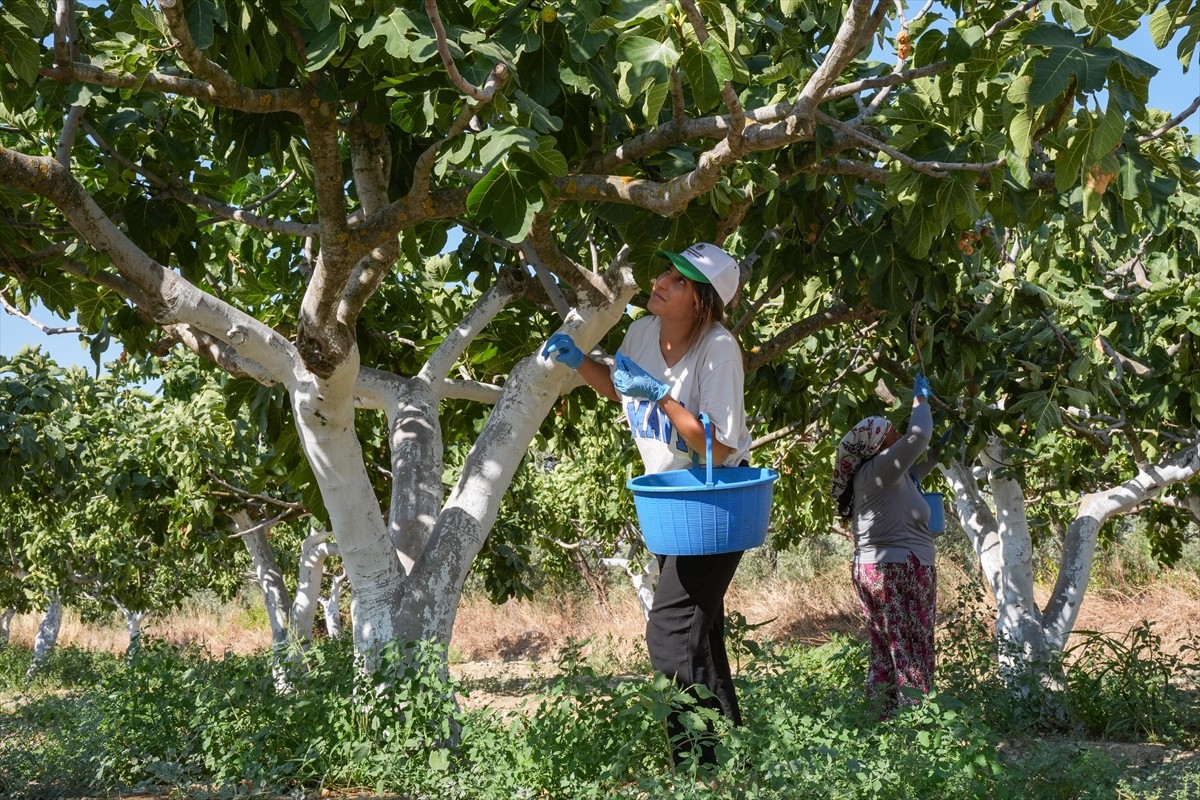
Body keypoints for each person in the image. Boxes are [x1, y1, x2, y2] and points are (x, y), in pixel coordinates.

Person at [542, 242, 753, 768]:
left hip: (713, 502)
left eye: (679, 281)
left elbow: (718, 448)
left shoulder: (719, 347)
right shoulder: (640, 332)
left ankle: (695, 765)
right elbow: (623, 391)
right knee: (698, 637)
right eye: (666, 271)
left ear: (702, 301)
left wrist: (662, 394)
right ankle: (728, 758)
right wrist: (581, 363)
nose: (661, 281)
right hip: (672, 506)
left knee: (669, 636)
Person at [830, 374, 937, 718]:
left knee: (886, 651)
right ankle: (916, 732)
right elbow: (919, 437)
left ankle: (880, 721)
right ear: (876, 444)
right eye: (892, 432)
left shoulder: (886, 474)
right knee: (912, 650)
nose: (900, 435)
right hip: (898, 568)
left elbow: (924, 457)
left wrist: (953, 438)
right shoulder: (879, 470)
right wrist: (921, 402)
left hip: (880, 569)